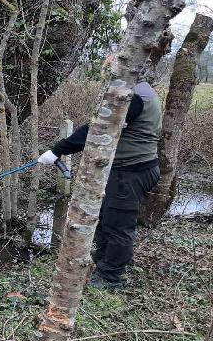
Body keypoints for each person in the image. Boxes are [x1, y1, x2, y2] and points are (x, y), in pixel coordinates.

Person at [38, 55, 162, 290]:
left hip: (131, 172)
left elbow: (97, 129)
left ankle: (110, 277)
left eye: (110, 71)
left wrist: (57, 151)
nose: (106, 76)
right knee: (106, 220)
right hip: (128, 169)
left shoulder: (133, 96)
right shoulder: (139, 90)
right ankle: (103, 262)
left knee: (118, 226)